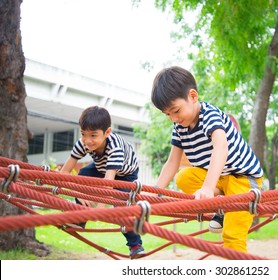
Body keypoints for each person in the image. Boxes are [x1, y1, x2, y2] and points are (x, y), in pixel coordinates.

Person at [151, 66, 264, 253]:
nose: (173, 118)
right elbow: (172, 162)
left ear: (193, 96)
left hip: (242, 178)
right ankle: (221, 205)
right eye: (168, 114)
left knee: (232, 235)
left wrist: (208, 188)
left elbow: (220, 148)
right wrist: (156, 192)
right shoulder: (179, 127)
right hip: (220, 178)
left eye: (176, 111)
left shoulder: (209, 115)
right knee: (184, 177)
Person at [60, 105, 145, 259]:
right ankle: (79, 219)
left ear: (107, 132)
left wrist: (100, 210)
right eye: (83, 134)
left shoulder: (115, 148)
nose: (88, 140)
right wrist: (79, 193)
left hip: (125, 174)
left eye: (93, 135)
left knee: (121, 206)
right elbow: (64, 172)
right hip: (103, 168)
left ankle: (135, 245)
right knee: (84, 174)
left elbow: (108, 184)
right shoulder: (83, 143)